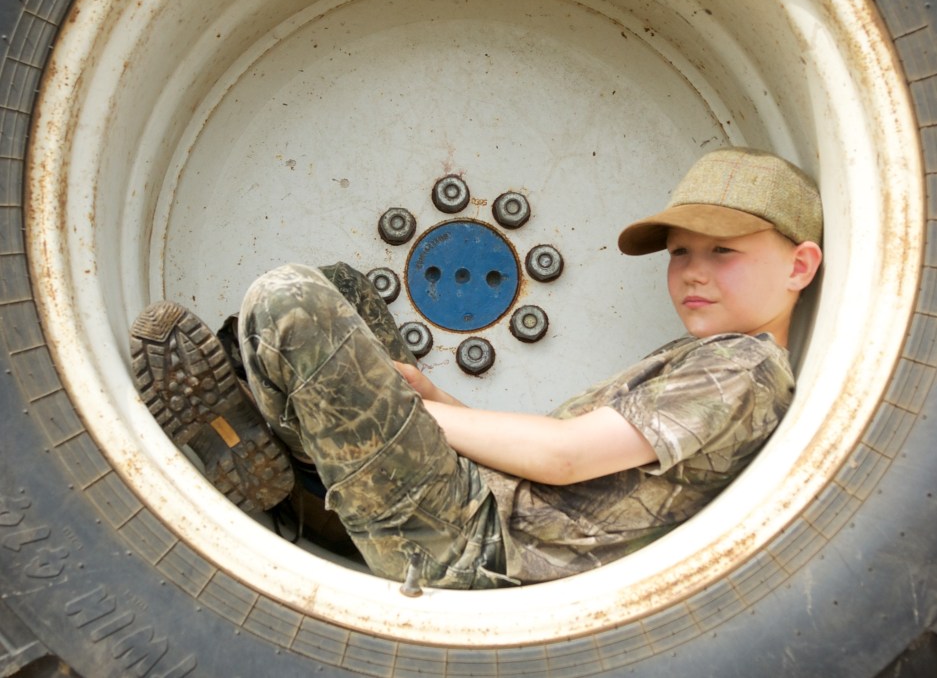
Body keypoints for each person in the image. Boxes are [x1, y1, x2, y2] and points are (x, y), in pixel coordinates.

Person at [130, 147, 823, 589]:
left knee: (290, 303)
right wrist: (436, 398)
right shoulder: (705, 356)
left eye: (723, 251)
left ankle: (274, 460)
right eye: (680, 253)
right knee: (345, 289)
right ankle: (278, 462)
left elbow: (564, 457)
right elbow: (540, 464)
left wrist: (414, 413)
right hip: (478, 507)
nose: (694, 272)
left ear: (800, 266)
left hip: (477, 547)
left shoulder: (747, 369)